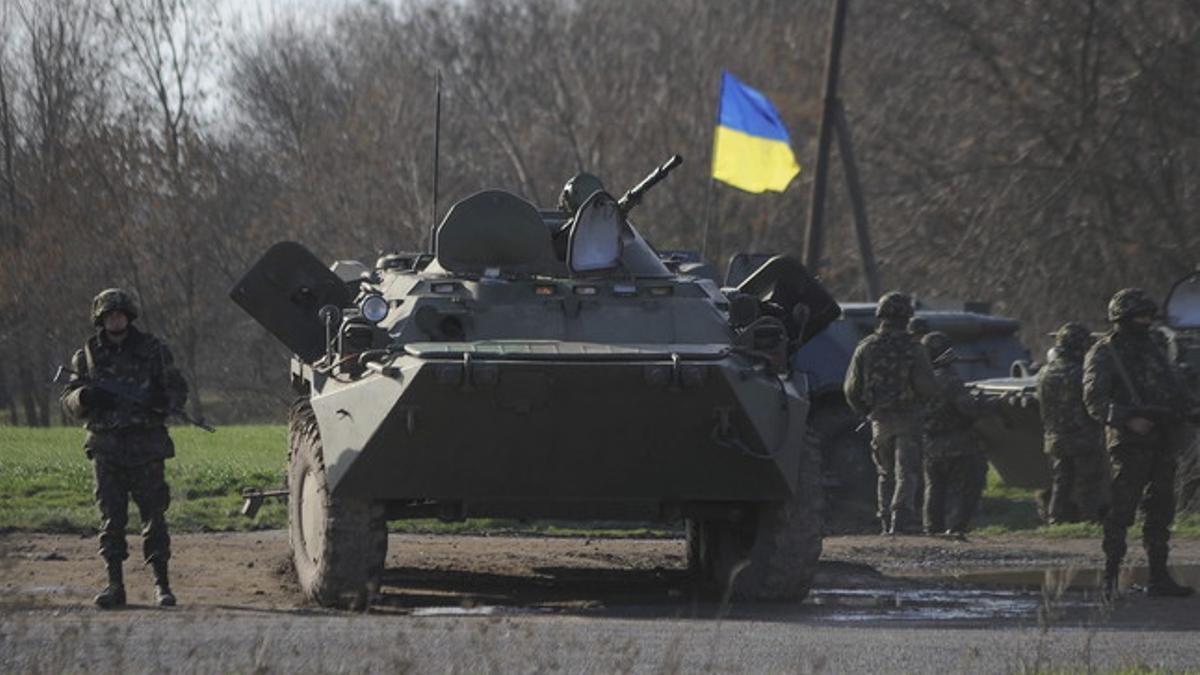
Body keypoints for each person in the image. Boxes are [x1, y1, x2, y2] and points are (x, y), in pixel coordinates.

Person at [60, 289, 188, 608]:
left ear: (129, 317)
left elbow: (177, 387)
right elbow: (68, 399)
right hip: (106, 448)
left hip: (146, 445)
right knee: (111, 519)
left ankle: (162, 584)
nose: (115, 320)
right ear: (100, 319)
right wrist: (86, 398)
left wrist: (164, 401)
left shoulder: (154, 350)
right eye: (109, 315)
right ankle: (114, 584)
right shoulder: (86, 356)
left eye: (119, 314)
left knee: (154, 517)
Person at [1083, 288, 1199, 598]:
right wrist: (1126, 419)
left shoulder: (1154, 348)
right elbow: (1094, 400)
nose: (1145, 322)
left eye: (1148, 316)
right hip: (1129, 441)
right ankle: (1109, 577)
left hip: (1162, 438)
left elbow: (1175, 388)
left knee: (1160, 511)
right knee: (1121, 510)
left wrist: (1190, 410)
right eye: (1139, 317)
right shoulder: (1105, 352)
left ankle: (1159, 577)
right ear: (1121, 318)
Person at [845, 291, 937, 534]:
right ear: (907, 317)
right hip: (909, 418)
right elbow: (926, 386)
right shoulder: (914, 348)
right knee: (907, 471)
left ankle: (886, 521)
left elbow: (851, 389)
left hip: (879, 419)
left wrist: (865, 410)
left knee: (885, 472)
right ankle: (901, 519)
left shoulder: (865, 347)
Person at [920, 332, 991, 535]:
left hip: (930, 444)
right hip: (957, 444)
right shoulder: (949, 380)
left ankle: (932, 529)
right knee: (965, 488)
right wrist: (986, 403)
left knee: (934, 488)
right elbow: (969, 410)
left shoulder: (920, 380)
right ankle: (957, 528)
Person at [1037, 322, 1108, 524]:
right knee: (1089, 480)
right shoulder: (1082, 373)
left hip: (1055, 436)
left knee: (1062, 480)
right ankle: (1089, 519)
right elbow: (1093, 400)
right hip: (1082, 436)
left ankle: (1055, 518)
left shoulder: (1045, 372)